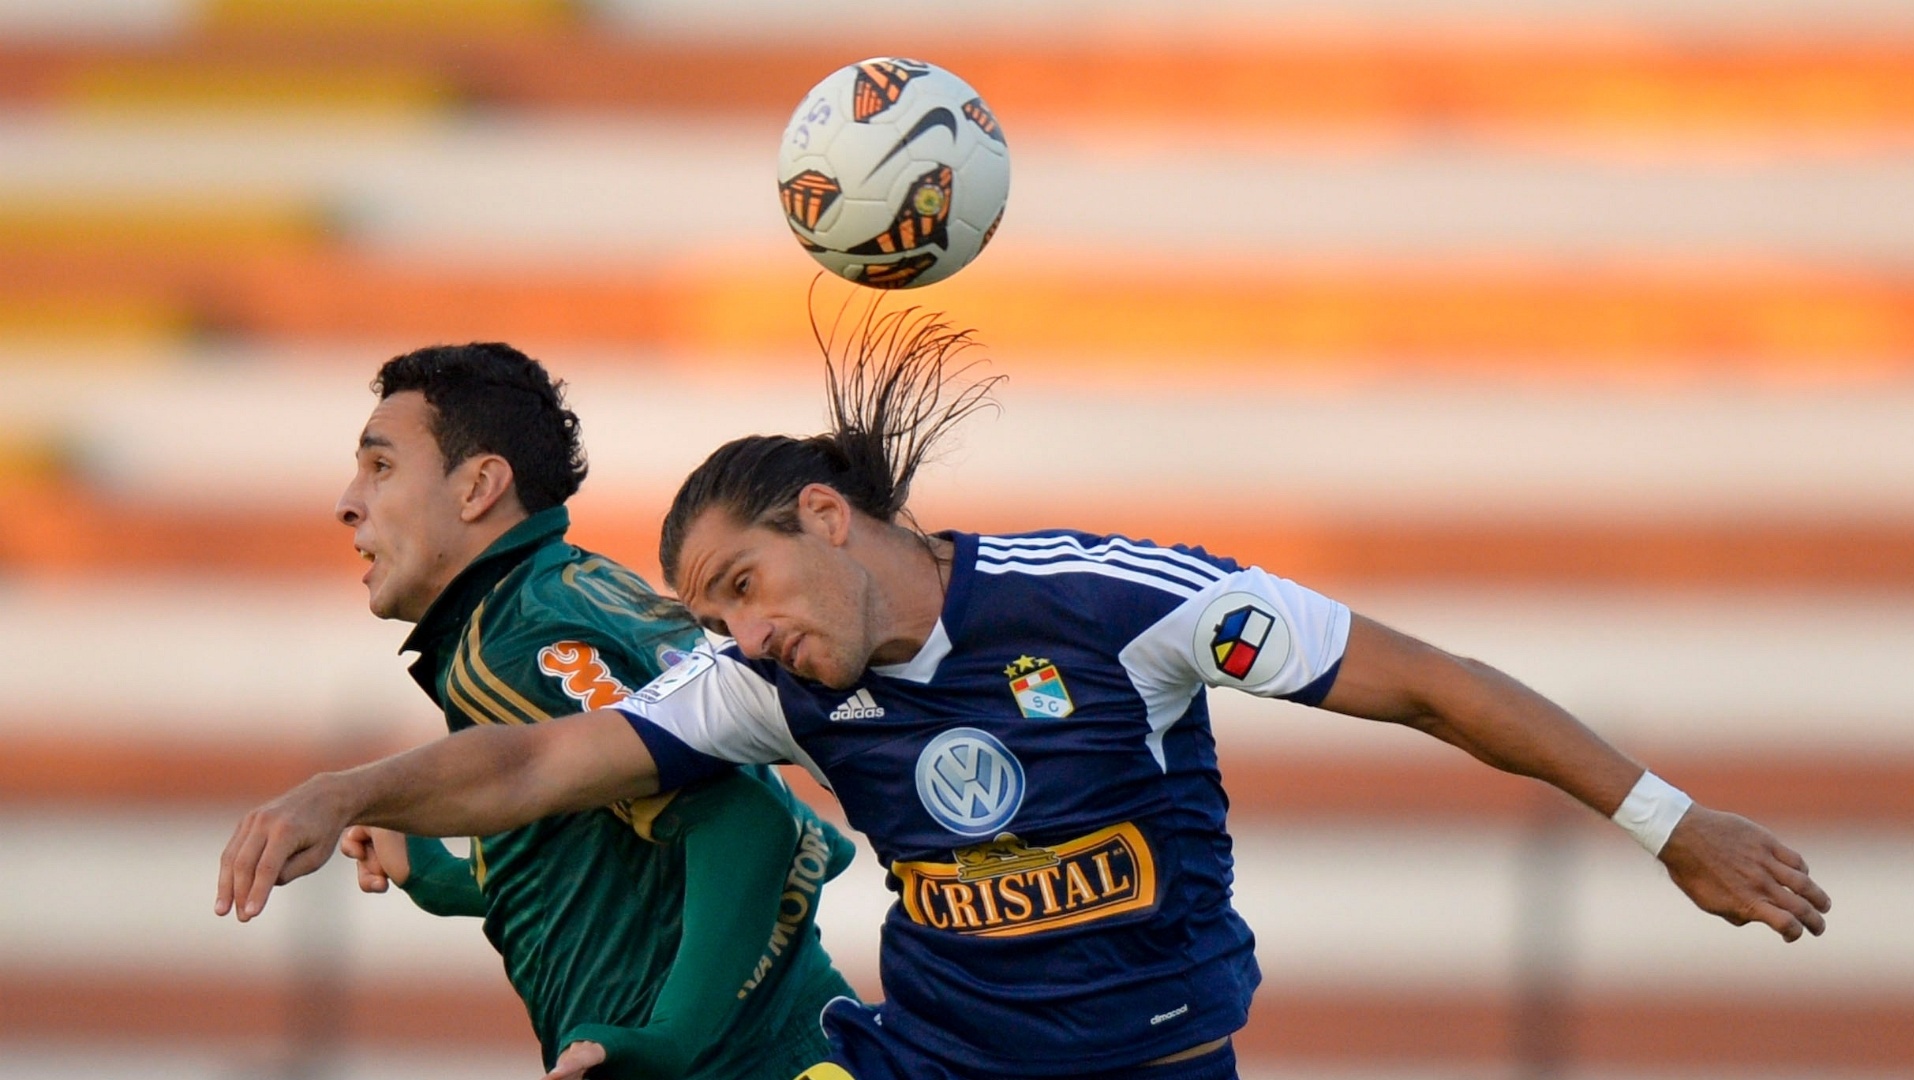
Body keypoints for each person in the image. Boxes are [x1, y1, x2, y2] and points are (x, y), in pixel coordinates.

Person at [220, 312, 1831, 1080]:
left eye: (743, 590)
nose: (738, 641)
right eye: (710, 616)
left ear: (830, 522)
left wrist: (1668, 821)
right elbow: (529, 771)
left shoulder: (1120, 604)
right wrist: (345, 796)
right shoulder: (781, 685)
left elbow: (1428, 686)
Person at [257, 341, 859, 1080]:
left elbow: (745, 822)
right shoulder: (577, 586)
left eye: (380, 467)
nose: (348, 500)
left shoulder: (514, 646)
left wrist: (672, 1039)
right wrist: (437, 875)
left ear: (479, 486)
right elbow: (619, 846)